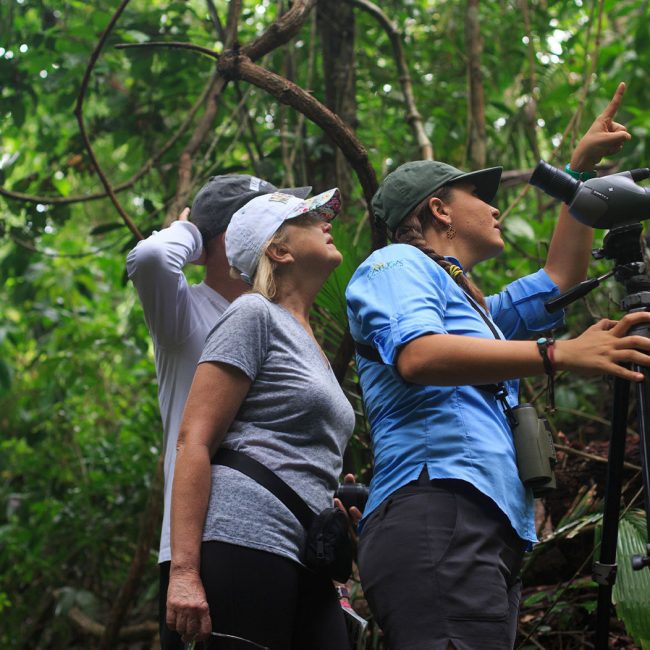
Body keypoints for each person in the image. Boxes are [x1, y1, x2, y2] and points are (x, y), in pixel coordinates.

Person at [345, 83, 648, 649]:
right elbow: (419, 355)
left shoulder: (475, 310)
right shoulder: (395, 264)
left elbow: (559, 279)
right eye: (476, 195)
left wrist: (578, 171)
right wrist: (557, 354)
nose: (493, 206)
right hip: (437, 510)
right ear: (438, 209)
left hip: (480, 526)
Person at [165, 188, 356, 649]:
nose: (326, 222)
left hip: (309, 551)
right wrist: (184, 572)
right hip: (245, 534)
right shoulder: (252, 314)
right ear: (279, 250)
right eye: (309, 218)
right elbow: (194, 441)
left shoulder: (310, 342)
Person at [126, 174, 310, 650]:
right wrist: (194, 233)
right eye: (272, 216)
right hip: (203, 544)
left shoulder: (281, 321)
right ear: (235, 233)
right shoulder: (184, 317)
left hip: (283, 541)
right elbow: (149, 258)